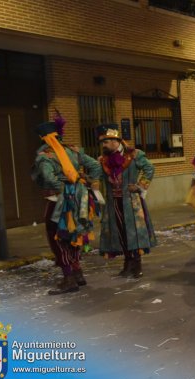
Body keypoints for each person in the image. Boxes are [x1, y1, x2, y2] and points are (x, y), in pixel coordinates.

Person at [31, 117, 102, 294]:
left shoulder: (45, 156)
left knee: (57, 237)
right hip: (78, 199)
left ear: (43, 138)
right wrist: (86, 181)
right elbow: (95, 166)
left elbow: (47, 177)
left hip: (57, 202)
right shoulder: (73, 151)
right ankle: (78, 274)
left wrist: (61, 188)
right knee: (74, 235)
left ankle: (69, 278)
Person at [97, 123, 156, 279]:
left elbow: (150, 169)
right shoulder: (104, 160)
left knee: (133, 233)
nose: (104, 145)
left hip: (131, 202)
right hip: (114, 202)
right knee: (120, 233)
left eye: (106, 141)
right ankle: (127, 263)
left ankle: (137, 265)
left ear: (115, 141)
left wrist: (139, 186)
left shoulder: (134, 154)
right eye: (103, 142)